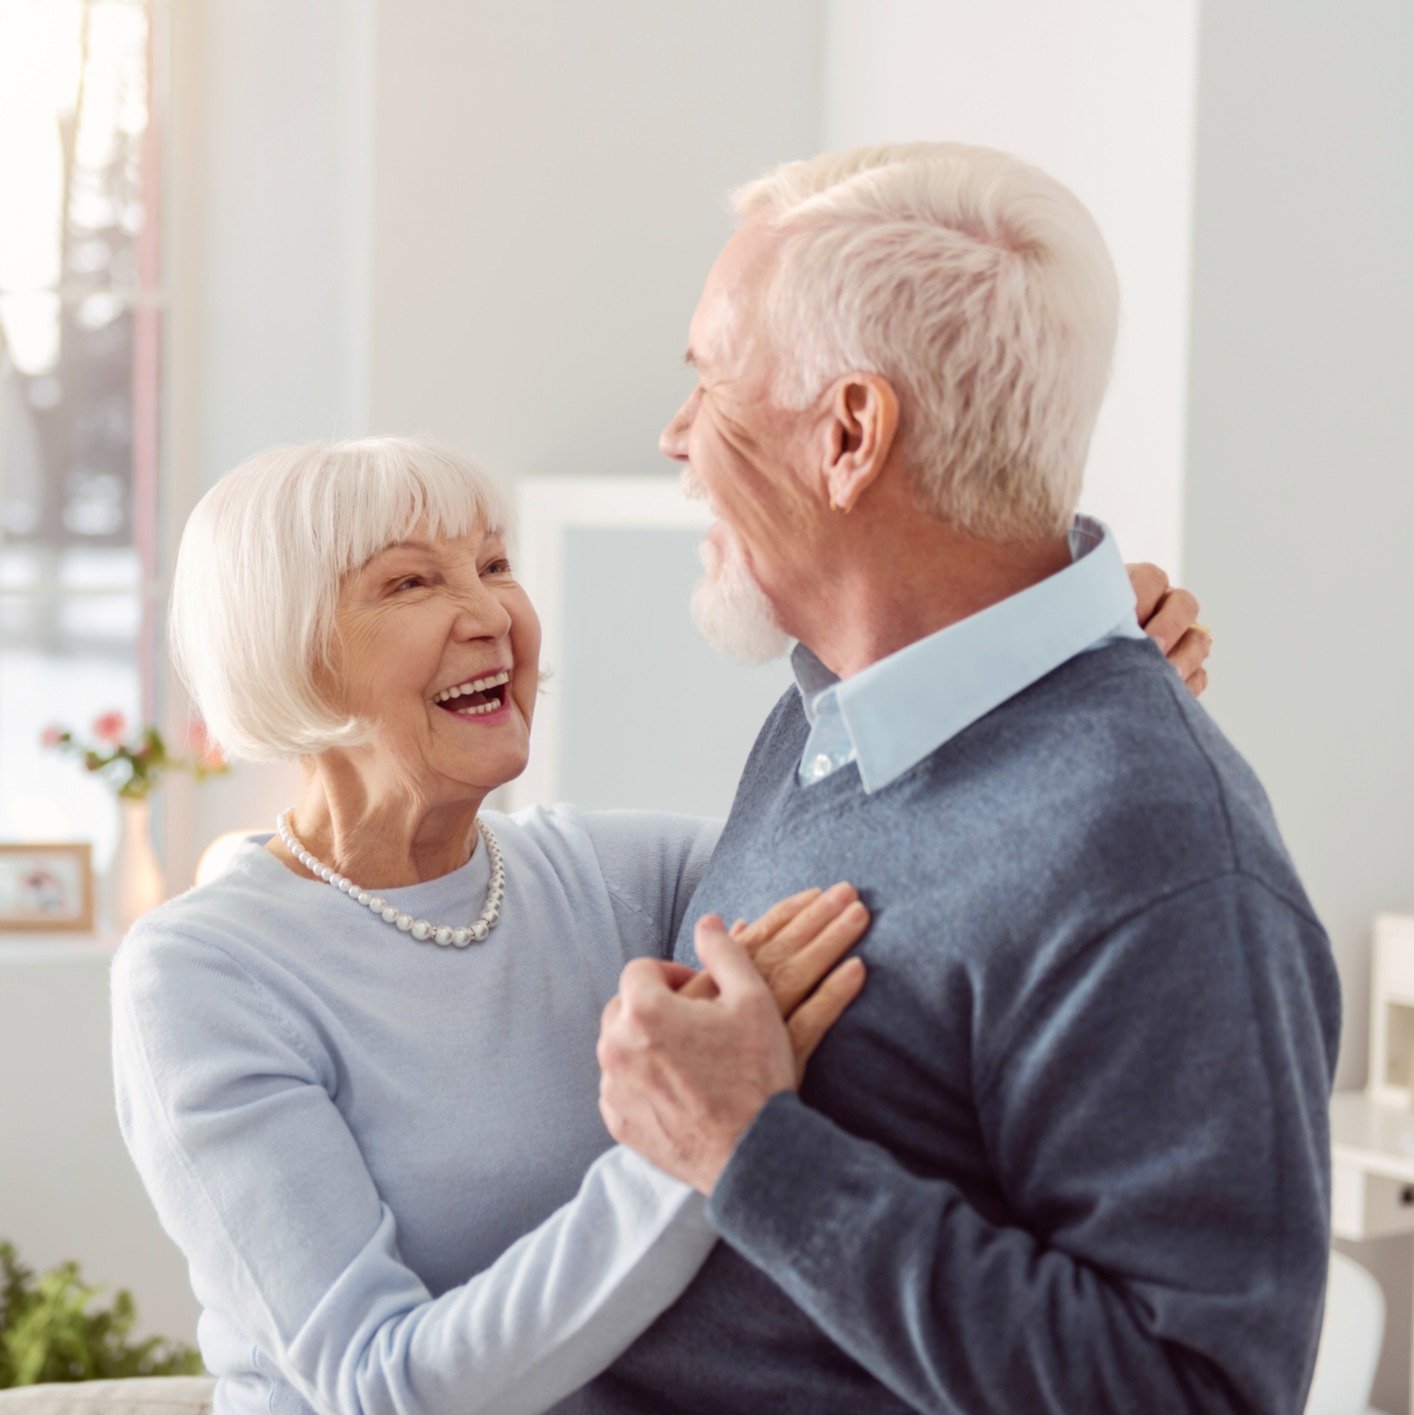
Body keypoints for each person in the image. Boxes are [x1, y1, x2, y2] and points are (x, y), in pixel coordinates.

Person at [592, 142, 1340, 1412]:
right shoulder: (829, 720)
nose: (673, 437)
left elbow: (1192, 1393)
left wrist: (753, 1151)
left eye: (708, 382)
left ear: (848, 434)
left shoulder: (1158, 855)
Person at [110, 436, 873, 1415]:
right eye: (411, 581)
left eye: (495, 564)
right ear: (290, 644)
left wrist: (1083, 661)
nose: (490, 615)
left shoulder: (611, 873)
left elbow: (899, 841)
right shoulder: (202, 972)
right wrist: (693, 1142)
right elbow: (378, 1383)